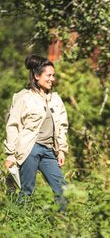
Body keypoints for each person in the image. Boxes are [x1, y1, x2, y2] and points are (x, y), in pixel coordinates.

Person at [4, 54, 68, 208]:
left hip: (49, 151)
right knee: (27, 190)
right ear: (37, 76)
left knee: (63, 189)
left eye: (54, 75)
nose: (52, 79)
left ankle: (63, 226)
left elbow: (62, 126)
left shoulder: (56, 99)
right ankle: (19, 223)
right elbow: (13, 126)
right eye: (49, 75)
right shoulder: (23, 98)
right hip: (29, 149)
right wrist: (11, 155)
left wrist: (61, 150)